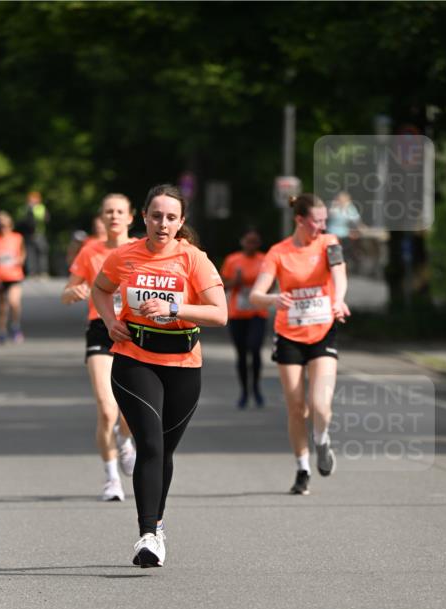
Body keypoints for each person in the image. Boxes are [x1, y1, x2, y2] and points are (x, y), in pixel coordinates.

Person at [92, 183, 227, 567]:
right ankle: (148, 535)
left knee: (164, 450)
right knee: (149, 445)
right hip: (134, 358)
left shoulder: (193, 259)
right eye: (156, 216)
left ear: (181, 221)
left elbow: (220, 313)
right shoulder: (125, 255)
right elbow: (101, 289)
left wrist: (175, 308)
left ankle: (158, 523)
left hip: (183, 364)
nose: (162, 224)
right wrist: (109, 321)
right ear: (144, 217)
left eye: (170, 217)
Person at [249, 193, 350, 496]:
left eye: (324, 221)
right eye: (316, 222)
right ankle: (302, 468)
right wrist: (273, 299)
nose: (322, 227)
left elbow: (339, 275)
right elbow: (256, 295)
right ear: (300, 220)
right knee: (296, 408)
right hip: (289, 335)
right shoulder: (278, 253)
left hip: (323, 330)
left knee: (320, 405)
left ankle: (321, 439)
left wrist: (338, 300)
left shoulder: (329, 242)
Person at [62, 194, 137, 501]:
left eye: (120, 211)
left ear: (130, 217)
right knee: (107, 409)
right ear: (102, 217)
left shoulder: (141, 249)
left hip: (134, 331)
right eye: (109, 211)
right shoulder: (90, 251)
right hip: (100, 329)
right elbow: (67, 292)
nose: (114, 216)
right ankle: (111, 480)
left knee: (130, 411)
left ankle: (125, 438)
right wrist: (74, 292)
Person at [221, 229, 268, 407]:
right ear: (242, 242)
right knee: (241, 353)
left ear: (259, 243)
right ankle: (244, 392)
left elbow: (271, 284)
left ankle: (256, 387)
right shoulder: (232, 260)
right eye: (248, 241)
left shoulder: (264, 260)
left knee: (254, 348)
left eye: (254, 241)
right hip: (237, 313)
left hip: (257, 313)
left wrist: (262, 287)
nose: (251, 245)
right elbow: (222, 285)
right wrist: (236, 281)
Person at [0, 212, 26, 343]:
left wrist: (20, 259)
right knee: (2, 306)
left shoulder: (17, 238)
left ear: (10, 226)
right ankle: (1, 331)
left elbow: (23, 252)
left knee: (14, 302)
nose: (3, 228)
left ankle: (15, 326)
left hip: (14, 275)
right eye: (1, 226)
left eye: (6, 226)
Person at [326, 191, 361, 273]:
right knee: (333, 254)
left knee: (346, 252)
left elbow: (356, 220)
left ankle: (344, 269)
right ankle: (332, 269)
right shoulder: (333, 206)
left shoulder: (350, 208)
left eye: (344, 199)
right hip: (332, 233)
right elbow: (328, 216)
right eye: (340, 199)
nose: (342, 201)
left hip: (345, 234)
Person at [21, 191, 50, 276]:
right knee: (30, 253)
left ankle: (43, 271)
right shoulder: (25, 208)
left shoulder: (41, 208)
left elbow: (45, 218)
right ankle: (32, 272)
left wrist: (32, 210)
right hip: (28, 234)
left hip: (38, 233)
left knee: (42, 252)